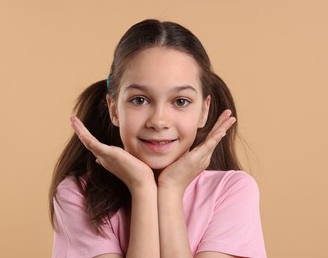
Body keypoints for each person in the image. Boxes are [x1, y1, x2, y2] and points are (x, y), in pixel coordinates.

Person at [49, 19, 267, 258]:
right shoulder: (78, 195)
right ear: (113, 109)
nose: (159, 121)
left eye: (180, 101)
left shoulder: (233, 192)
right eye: (140, 100)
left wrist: (171, 190)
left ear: (204, 111)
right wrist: (142, 187)